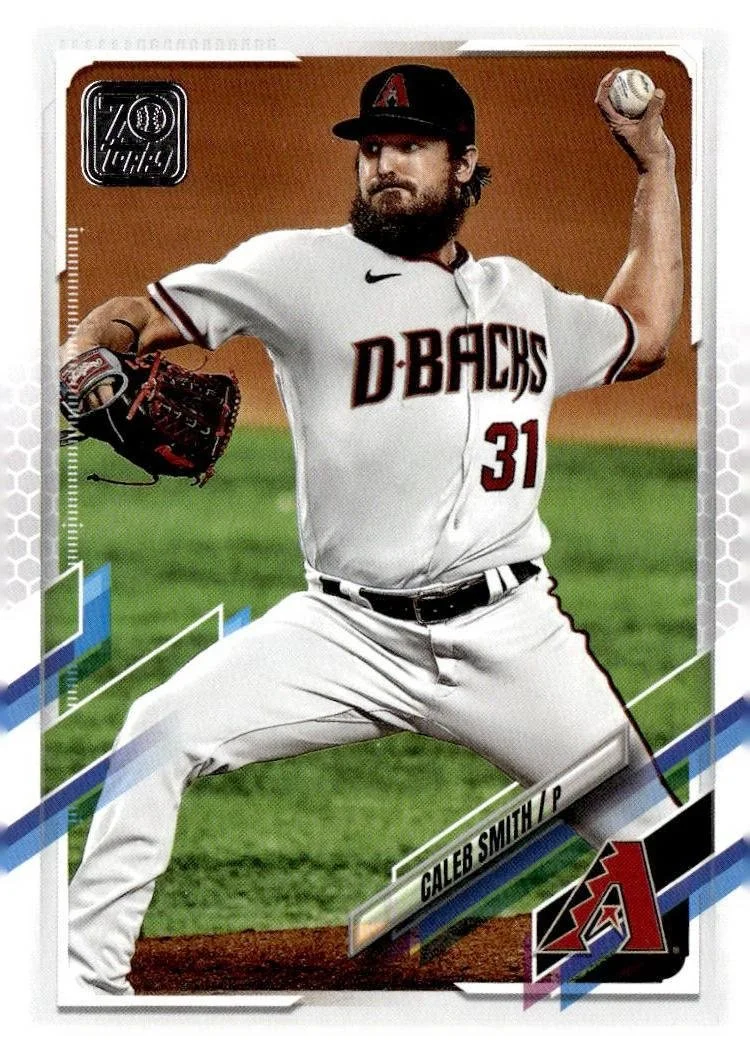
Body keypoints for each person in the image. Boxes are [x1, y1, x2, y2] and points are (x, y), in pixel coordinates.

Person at [62, 64, 684, 995]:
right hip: (347, 631)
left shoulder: (523, 297)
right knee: (159, 730)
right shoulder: (296, 268)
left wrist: (655, 165)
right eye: (373, 149)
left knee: (672, 863)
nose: (385, 164)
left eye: (412, 147)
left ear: (464, 164)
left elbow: (645, 331)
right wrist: (85, 354)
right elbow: (137, 317)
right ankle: (86, 989)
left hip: (514, 640)